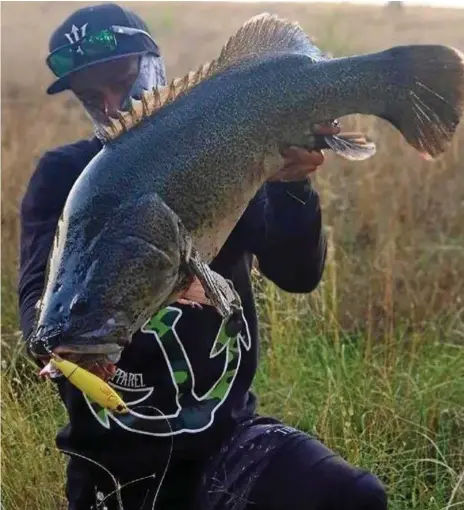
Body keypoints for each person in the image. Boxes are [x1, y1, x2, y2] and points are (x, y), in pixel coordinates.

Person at [18, 4, 388, 510]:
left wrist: (294, 183)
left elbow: (299, 275)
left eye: (122, 80)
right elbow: (38, 306)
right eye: (89, 96)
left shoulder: (228, 150)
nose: (108, 104)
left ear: (155, 64)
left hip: (227, 441)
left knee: (355, 497)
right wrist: (65, 339)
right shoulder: (65, 177)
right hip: (113, 464)